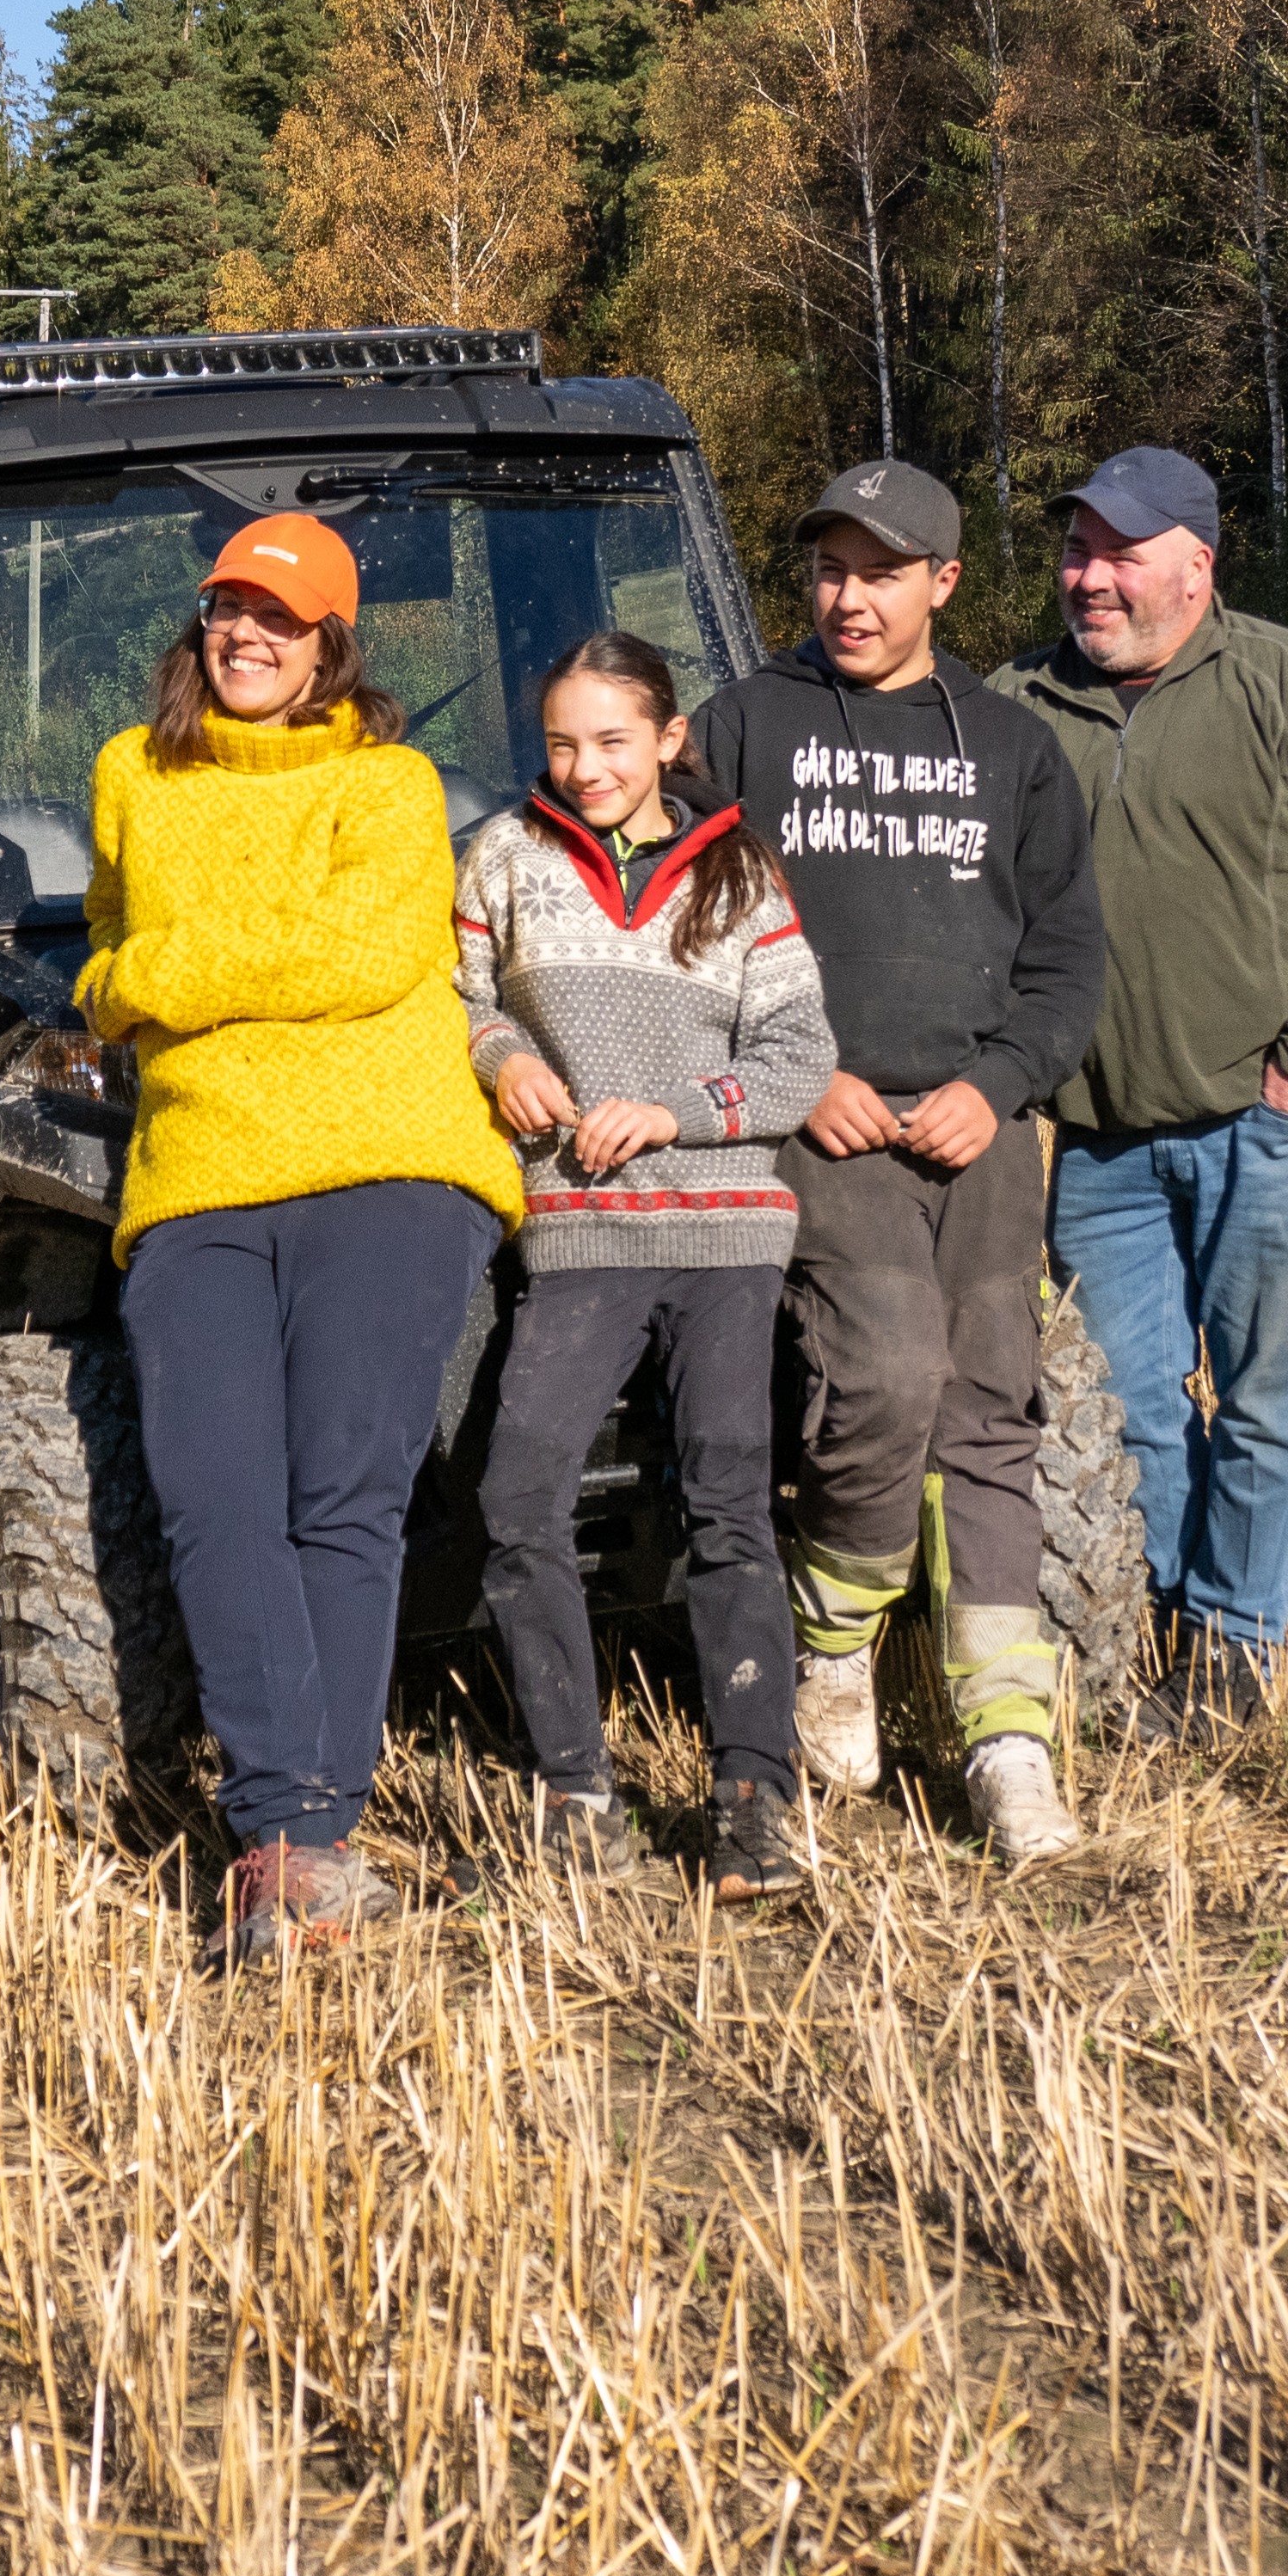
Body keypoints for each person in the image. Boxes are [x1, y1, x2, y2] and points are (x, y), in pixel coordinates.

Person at [76, 512, 526, 1966]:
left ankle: (293, 1842)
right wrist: (146, 981)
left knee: (346, 1492)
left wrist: (161, 977)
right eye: (227, 611)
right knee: (214, 1495)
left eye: (282, 620)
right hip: (199, 1171)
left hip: (389, 1159)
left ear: (335, 647)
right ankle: (303, 1832)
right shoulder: (132, 774)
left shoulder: (388, 786)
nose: (247, 638)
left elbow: (366, 957)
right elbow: (99, 965)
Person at [689, 461, 1107, 1859]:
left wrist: (998, 1088)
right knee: (885, 1372)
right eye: (829, 570)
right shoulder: (744, 727)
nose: (849, 597)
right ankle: (834, 1649)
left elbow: (1064, 961)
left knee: (991, 1403)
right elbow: (666, 924)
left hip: (974, 1127)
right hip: (822, 1121)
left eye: (882, 571)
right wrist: (801, 1082)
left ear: (944, 583)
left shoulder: (1010, 745)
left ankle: (1007, 1744)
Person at [1003, 447, 1288, 1743]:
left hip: (1269, 1125)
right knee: (1126, 1409)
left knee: (1260, 1402)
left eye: (1119, 553)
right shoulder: (1019, 703)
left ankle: (1235, 1654)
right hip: (1102, 1138)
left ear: (1198, 562)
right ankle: (1169, 1618)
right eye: (1077, 551)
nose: (1090, 578)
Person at [454, 633, 837, 1904]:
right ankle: (575, 1790)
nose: (585, 766)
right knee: (519, 1500)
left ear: (670, 740)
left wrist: (674, 1108)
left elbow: (796, 1060)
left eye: (613, 740)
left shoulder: (740, 872)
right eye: (562, 742)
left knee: (729, 1505)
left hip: (724, 1233)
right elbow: (450, 998)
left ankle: (754, 1800)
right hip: (579, 1231)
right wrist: (502, 1052)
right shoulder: (503, 859)